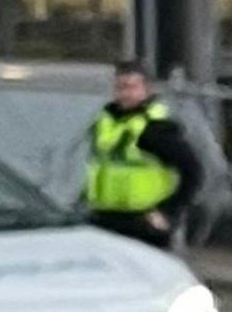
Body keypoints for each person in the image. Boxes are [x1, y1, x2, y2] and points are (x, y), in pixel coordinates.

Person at [83, 65, 211, 247]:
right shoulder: (105, 122)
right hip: (104, 217)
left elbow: (192, 171)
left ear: (146, 89)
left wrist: (167, 211)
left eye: (131, 87)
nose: (125, 94)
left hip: (142, 222)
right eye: (120, 87)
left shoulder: (155, 128)